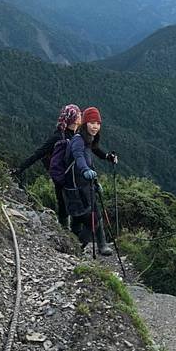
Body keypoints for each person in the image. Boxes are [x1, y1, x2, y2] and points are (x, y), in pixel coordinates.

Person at [15, 104, 82, 227]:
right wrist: (19, 169)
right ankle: (67, 234)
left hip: (72, 178)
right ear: (73, 118)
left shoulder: (75, 136)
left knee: (72, 206)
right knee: (64, 206)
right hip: (62, 178)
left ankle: (73, 235)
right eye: (79, 114)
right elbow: (38, 153)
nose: (81, 116)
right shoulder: (59, 137)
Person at [64, 106, 116, 256]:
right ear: (85, 123)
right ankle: (78, 245)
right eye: (92, 122)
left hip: (86, 186)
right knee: (92, 219)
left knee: (91, 215)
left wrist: (107, 157)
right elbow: (79, 157)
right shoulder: (78, 140)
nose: (95, 126)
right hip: (76, 189)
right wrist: (85, 170)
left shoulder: (88, 140)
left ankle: (99, 245)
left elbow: (95, 150)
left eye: (98, 123)